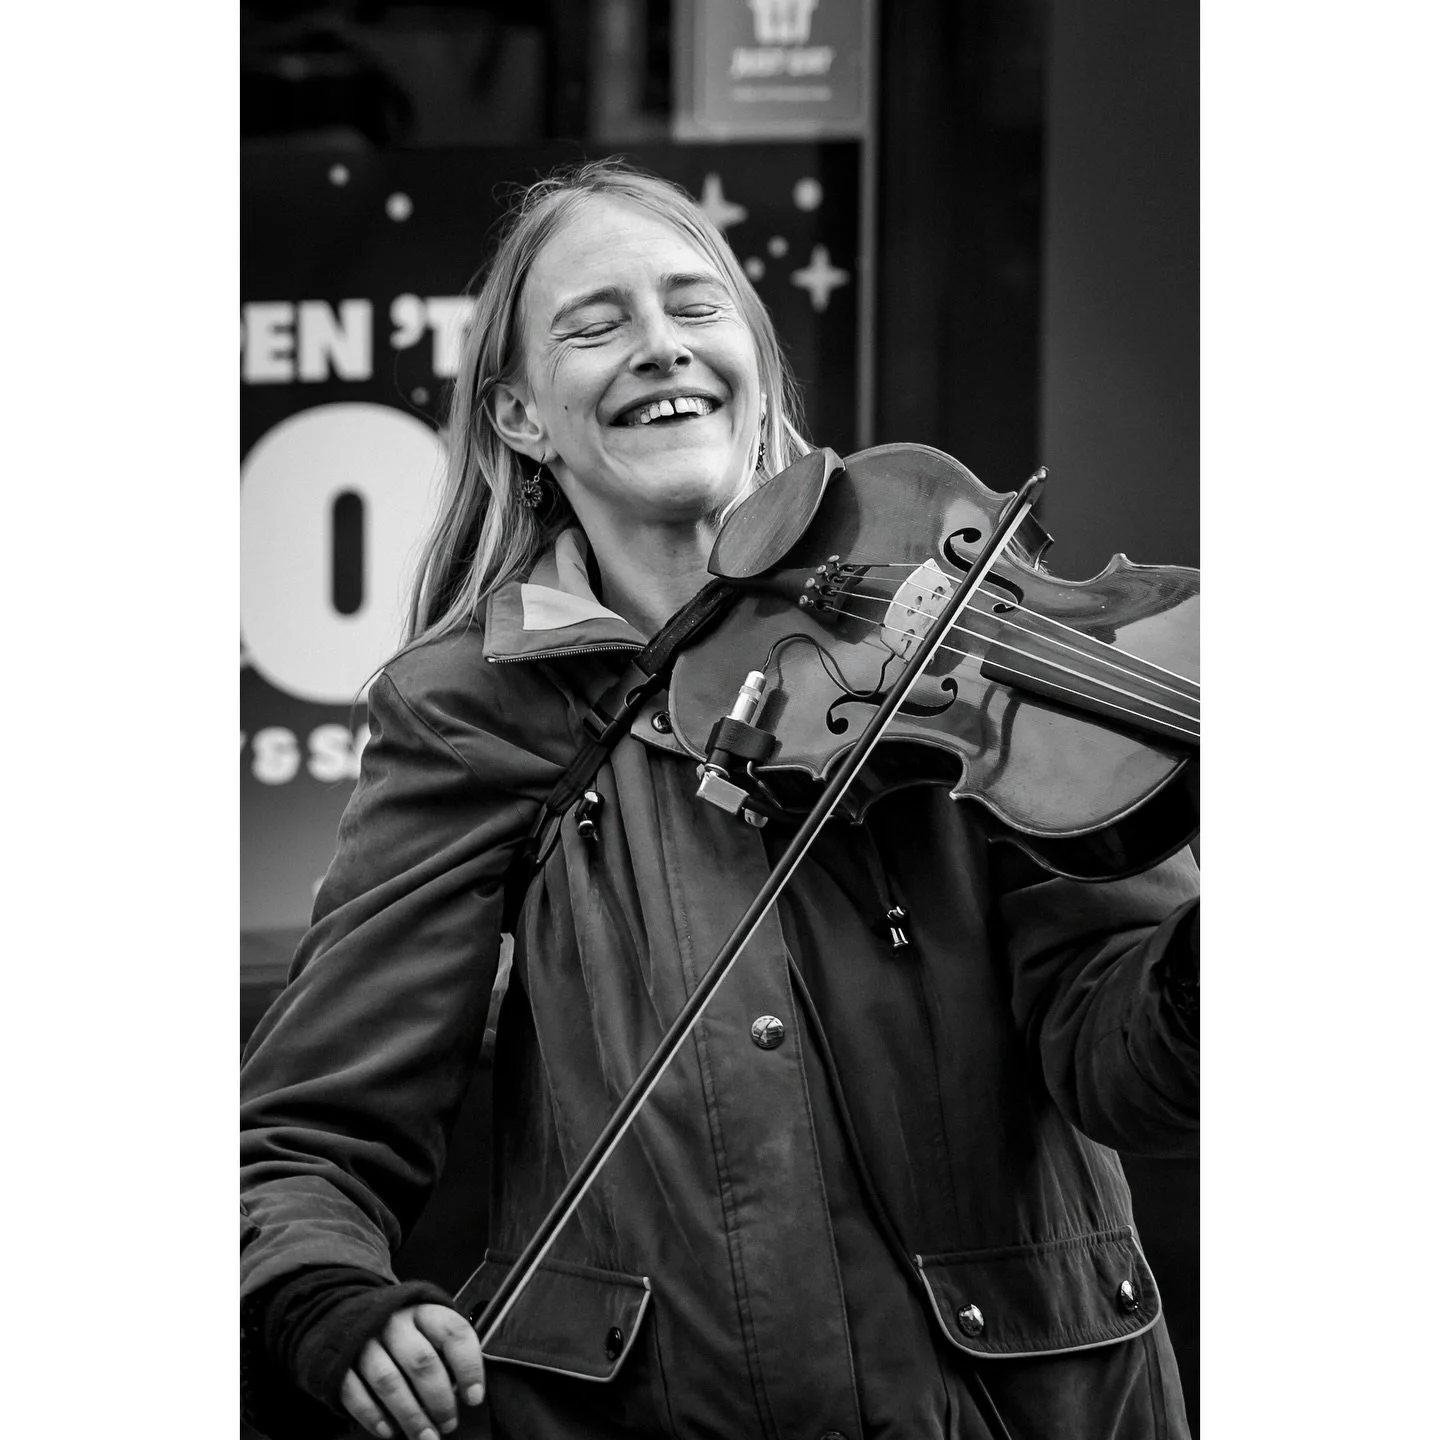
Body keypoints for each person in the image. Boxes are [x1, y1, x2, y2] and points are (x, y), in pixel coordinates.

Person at [240, 158, 1200, 1440]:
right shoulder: (478, 706)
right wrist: (326, 1295)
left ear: (752, 364)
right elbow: (308, 1135)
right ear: (522, 418)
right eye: (595, 325)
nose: (657, 347)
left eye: (697, 309)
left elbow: (1128, 1069)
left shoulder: (959, 641)